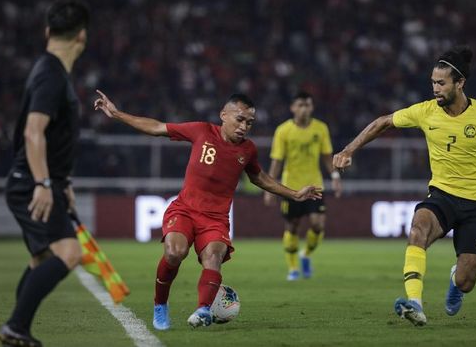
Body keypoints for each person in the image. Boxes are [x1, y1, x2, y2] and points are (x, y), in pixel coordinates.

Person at [332, 46, 476, 327]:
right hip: (442, 195)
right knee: (417, 229)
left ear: (460, 83)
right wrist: (348, 150)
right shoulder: (425, 112)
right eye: (433, 83)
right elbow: (383, 123)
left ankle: (455, 280)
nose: (435, 89)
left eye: (441, 83)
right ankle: (414, 303)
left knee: (466, 280)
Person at [92, 90, 322, 330]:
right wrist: (117, 114)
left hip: (216, 219)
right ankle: (160, 304)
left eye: (250, 123)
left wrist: (294, 194)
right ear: (224, 115)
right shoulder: (201, 131)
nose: (244, 127)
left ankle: (203, 310)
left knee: (214, 256)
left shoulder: (248, 150)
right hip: (185, 210)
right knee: (174, 253)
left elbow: (260, 178)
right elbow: (157, 127)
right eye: (240, 119)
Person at [0, 0, 90, 347]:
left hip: (36, 180)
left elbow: (48, 137)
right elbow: (33, 132)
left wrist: (61, 182)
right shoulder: (51, 74)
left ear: (47, 31)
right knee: (69, 253)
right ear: (82, 36)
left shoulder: (49, 70)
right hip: (31, 183)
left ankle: (16, 329)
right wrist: (43, 183)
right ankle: (16, 327)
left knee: (43, 258)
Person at [263, 92, 342, 281]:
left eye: (307, 105)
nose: (304, 108)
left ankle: (305, 254)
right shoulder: (283, 131)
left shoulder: (320, 128)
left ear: (312, 107)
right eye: (300, 105)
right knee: (292, 226)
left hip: (315, 185)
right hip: (291, 187)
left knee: (317, 225)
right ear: (293, 108)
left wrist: (335, 176)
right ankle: (292, 268)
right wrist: (270, 188)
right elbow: (277, 161)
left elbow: (326, 155)